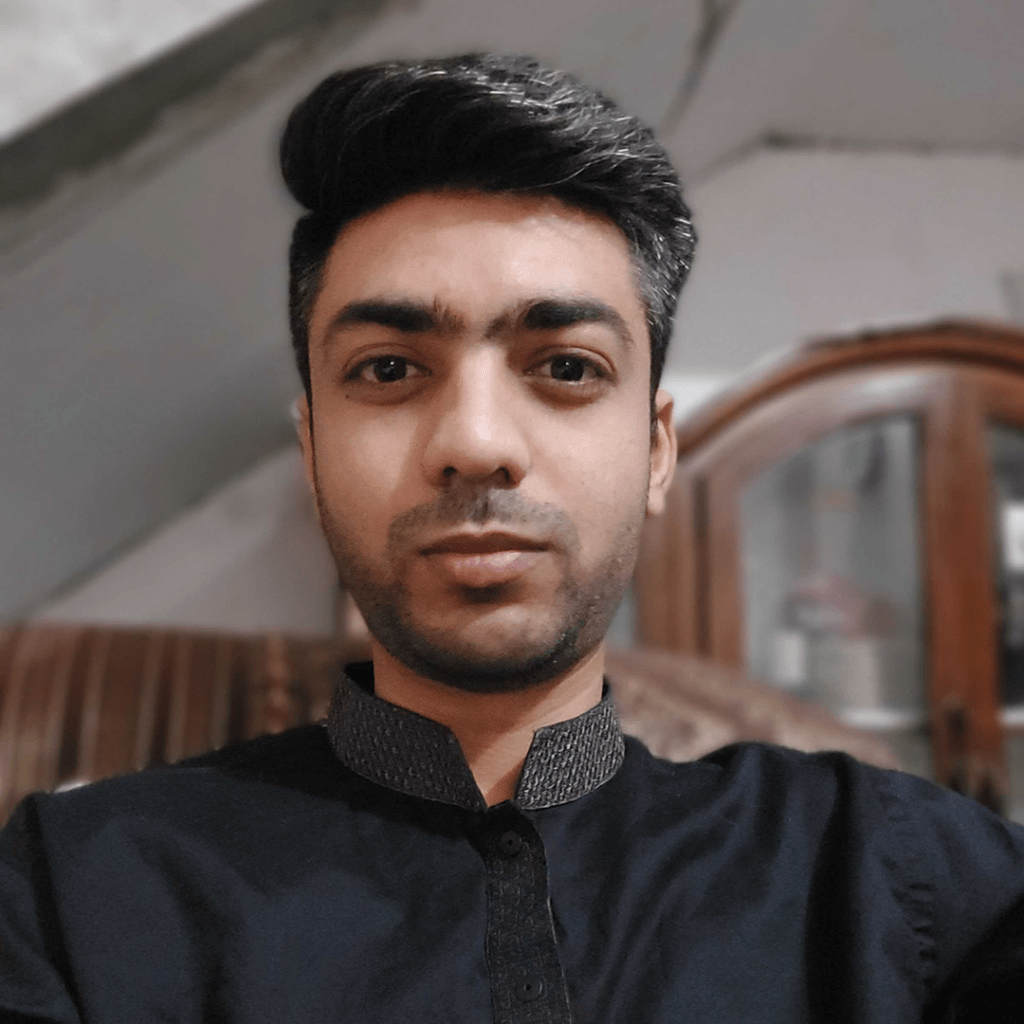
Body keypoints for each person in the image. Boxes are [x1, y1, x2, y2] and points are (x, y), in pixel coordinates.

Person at [1, 53, 1023, 1024]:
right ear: (312, 455)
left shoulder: (896, 872)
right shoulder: (74, 895)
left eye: (567, 367)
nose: (476, 444)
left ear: (655, 450)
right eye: (390, 370)